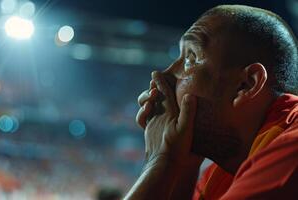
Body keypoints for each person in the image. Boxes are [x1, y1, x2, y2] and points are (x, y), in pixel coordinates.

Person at [124, 4, 298, 200]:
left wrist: (159, 160)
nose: (163, 75)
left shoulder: (291, 151)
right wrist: (182, 165)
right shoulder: (224, 170)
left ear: (246, 85)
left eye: (190, 58)